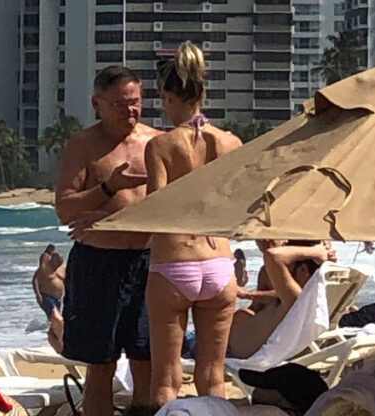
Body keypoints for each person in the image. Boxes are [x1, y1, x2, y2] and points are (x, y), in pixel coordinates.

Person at [55, 65, 162, 416]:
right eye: (119, 104)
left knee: (147, 358)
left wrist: (110, 219)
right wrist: (108, 188)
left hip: (149, 260)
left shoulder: (157, 142)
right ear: (97, 104)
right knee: (101, 363)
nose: (129, 111)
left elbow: (178, 205)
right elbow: (65, 210)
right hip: (99, 263)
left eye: (135, 102)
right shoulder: (84, 145)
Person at [145, 41, 243, 408]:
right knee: (213, 376)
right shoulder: (231, 143)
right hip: (219, 263)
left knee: (167, 378)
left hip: (175, 263)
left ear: (169, 97)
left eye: (164, 100)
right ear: (202, 94)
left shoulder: (161, 146)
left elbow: (157, 208)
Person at [228, 240, 336, 359]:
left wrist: (316, 252)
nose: (288, 273)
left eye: (290, 267)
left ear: (303, 270)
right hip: (255, 345)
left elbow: (272, 256)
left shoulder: (296, 299)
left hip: (237, 351)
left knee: (233, 317)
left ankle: (238, 278)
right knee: (242, 315)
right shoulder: (312, 300)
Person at [31, 244, 66, 320]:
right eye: (57, 263)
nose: (58, 265)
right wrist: (38, 295)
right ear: (52, 260)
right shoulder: (44, 268)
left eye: (60, 263)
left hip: (58, 299)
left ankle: (44, 327)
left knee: (53, 319)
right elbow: (35, 280)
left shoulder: (61, 269)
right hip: (46, 296)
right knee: (55, 317)